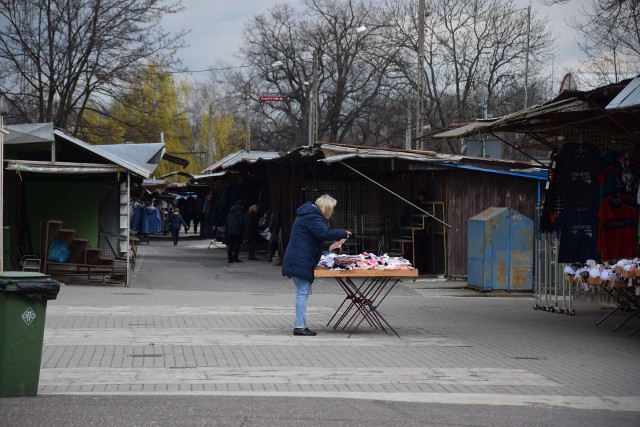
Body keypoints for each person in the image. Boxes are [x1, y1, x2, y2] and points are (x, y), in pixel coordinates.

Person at [282, 194, 351, 336]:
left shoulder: (308, 214)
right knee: (302, 293)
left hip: (299, 258)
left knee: (303, 292)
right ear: (325, 208)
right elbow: (324, 233)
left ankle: (301, 325)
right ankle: (300, 327)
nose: (331, 213)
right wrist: (343, 233)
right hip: (300, 259)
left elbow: (317, 235)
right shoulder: (312, 217)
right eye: (331, 210)